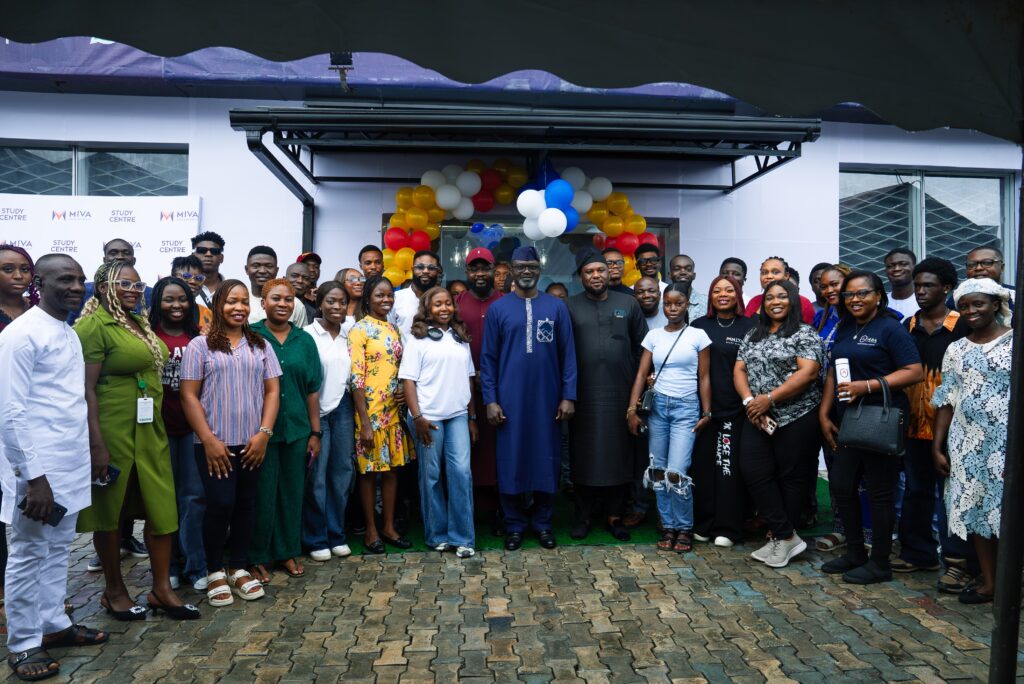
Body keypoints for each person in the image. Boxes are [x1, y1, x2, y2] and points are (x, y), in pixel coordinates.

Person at [0, 254, 107, 682]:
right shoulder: (20, 336)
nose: (77, 287)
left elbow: (71, 402)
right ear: (38, 283)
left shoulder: (67, 331)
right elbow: (10, 412)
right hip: (37, 473)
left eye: (81, 280)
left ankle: (55, 625)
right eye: (65, 279)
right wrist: (34, 478)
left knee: (59, 549)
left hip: (70, 464)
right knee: (27, 554)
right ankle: (24, 643)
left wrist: (93, 451)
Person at [74, 261, 196, 620]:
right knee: (109, 511)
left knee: (161, 508)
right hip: (112, 431)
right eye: (121, 283)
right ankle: (114, 591)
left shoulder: (138, 322)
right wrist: (96, 444)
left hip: (149, 429)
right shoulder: (93, 327)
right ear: (100, 287)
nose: (131, 289)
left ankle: (162, 589)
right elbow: (86, 389)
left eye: (135, 283)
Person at [180, 280, 281, 607]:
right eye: (231, 302)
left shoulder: (260, 345)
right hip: (214, 445)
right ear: (218, 304)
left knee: (246, 503)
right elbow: (189, 395)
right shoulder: (200, 346)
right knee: (220, 503)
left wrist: (264, 434)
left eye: (243, 302)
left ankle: (237, 567)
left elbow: (272, 391)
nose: (238, 308)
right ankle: (213, 570)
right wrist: (208, 439)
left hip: (252, 442)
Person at [819, 271, 923, 584]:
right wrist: (825, 413)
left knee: (880, 493)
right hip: (847, 420)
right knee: (841, 485)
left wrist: (868, 386)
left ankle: (879, 563)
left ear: (878, 295)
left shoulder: (890, 328)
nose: (855, 300)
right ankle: (854, 552)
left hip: (880, 419)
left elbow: (914, 371)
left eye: (862, 293)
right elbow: (833, 374)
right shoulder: (847, 327)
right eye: (849, 294)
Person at [481, 246, 576, 551]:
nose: (526, 271)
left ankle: (543, 523)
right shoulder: (499, 309)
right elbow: (488, 358)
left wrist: (568, 395)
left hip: (548, 398)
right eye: (520, 266)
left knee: (547, 459)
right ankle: (514, 525)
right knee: (511, 460)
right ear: (512, 270)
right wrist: (491, 400)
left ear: (539, 269)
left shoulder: (556, 307)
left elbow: (568, 355)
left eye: (531, 266)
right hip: (509, 400)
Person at [932, 278, 1012, 604]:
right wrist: (938, 445)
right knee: (976, 509)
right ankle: (991, 583)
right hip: (966, 443)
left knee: (1009, 512)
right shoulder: (956, 349)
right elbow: (946, 399)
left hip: (1007, 445)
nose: (971, 311)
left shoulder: (1015, 343)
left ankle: (1012, 585)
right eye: (964, 306)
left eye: (978, 304)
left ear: (995, 304)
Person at [734, 279, 822, 568]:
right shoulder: (753, 334)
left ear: (792, 300)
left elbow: (808, 372)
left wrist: (768, 399)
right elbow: (739, 369)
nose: (775, 301)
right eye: (769, 297)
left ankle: (780, 539)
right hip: (757, 416)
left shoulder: (804, 333)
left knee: (791, 478)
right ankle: (786, 536)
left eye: (782, 296)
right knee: (753, 470)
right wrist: (751, 403)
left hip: (797, 415)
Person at [566, 250, 647, 541]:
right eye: (590, 272)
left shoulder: (629, 303)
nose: (596, 275)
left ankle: (615, 515)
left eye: (601, 270)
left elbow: (642, 348)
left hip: (620, 394)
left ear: (610, 273)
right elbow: (563, 352)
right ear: (581, 277)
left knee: (618, 456)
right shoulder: (569, 306)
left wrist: (636, 394)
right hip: (582, 394)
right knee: (584, 455)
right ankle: (584, 515)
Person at [896, 258, 968, 579]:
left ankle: (957, 562)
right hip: (913, 425)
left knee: (952, 495)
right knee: (915, 490)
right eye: (918, 286)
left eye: (928, 286)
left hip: (953, 427)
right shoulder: (906, 327)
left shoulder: (963, 326)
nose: (920, 292)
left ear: (947, 288)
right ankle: (918, 553)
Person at [627, 282, 711, 553]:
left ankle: (684, 527)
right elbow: (641, 374)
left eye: (678, 303)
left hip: (687, 408)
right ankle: (667, 526)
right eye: (668, 304)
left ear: (688, 304)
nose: (672, 308)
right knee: (658, 470)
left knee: (677, 470)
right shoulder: (654, 336)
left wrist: (706, 411)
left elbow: (704, 377)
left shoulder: (698, 335)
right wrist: (631, 409)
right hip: (659, 408)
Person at [249, 280, 322, 583]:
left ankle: (287, 551)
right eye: (275, 298)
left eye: (289, 299)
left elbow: (312, 391)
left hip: (296, 431)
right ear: (263, 302)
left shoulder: (304, 341)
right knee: (261, 495)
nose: (283, 304)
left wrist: (315, 433)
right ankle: (257, 556)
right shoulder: (251, 334)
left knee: (291, 494)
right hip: (259, 432)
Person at [400, 286, 477, 557]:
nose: (444, 308)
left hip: (457, 415)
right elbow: (408, 380)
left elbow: (469, 377)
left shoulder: (460, 337)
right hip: (428, 417)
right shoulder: (418, 340)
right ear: (427, 309)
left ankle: (463, 537)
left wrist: (472, 417)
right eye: (437, 305)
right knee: (431, 476)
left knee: (461, 473)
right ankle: (436, 535)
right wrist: (417, 417)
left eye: (448, 304)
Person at [149, 276, 207, 592]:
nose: (176, 305)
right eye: (169, 299)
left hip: (192, 431)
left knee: (194, 498)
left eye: (182, 299)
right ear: (158, 302)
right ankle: (168, 566)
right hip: (159, 430)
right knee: (164, 502)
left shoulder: (198, 338)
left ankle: (195, 566)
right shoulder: (148, 337)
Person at [349, 276, 414, 554]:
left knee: (391, 472)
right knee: (368, 473)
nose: (386, 300)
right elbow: (356, 379)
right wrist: (364, 421)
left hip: (393, 412)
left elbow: (400, 367)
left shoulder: (393, 328)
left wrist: (401, 390)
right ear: (367, 298)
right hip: (370, 414)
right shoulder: (359, 330)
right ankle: (371, 530)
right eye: (379, 295)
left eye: (389, 295)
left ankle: (388, 526)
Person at [690, 275, 754, 548]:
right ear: (711, 296)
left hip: (735, 410)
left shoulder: (751, 326)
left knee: (728, 469)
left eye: (729, 290)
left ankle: (728, 527)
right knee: (703, 468)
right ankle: (704, 523)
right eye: (717, 290)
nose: (723, 294)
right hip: (703, 410)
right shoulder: (698, 326)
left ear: (738, 294)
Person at [303, 281, 355, 562]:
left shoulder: (350, 334)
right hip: (316, 413)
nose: (337, 307)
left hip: (343, 408)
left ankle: (336, 534)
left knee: (342, 474)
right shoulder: (307, 335)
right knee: (317, 479)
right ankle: (316, 537)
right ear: (320, 303)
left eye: (342, 302)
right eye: (331, 301)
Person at [454, 248, 504, 533]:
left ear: (494, 271)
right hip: (465, 390)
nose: (480, 274)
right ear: (467, 272)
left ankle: (499, 510)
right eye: (475, 269)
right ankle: (470, 510)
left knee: (497, 450)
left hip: (499, 389)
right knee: (470, 450)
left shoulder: (507, 302)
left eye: (485, 268)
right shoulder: (457, 304)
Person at [0, 244, 38, 610]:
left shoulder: (37, 313)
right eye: (8, 269)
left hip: (31, 422)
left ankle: (34, 592)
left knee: (27, 509)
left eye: (24, 269)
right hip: (3, 417)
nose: (17, 276)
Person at [67, 238, 153, 325]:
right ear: (105, 260)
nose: (120, 257)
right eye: (113, 253)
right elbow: (69, 326)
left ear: (134, 260)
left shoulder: (150, 293)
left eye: (126, 253)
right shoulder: (83, 290)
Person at [245, 246, 305, 328]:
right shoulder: (239, 302)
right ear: (246, 269)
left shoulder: (295, 304)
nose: (262, 271)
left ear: (277, 270)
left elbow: (301, 338)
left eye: (269, 266)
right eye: (256, 265)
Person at [744, 257, 815, 324]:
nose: (769, 276)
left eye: (775, 272)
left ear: (786, 276)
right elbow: (746, 328)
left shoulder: (803, 302)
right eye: (764, 273)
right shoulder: (755, 301)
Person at [391, 250, 443, 338]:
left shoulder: (443, 300)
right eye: (420, 267)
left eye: (431, 268)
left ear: (437, 271)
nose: (425, 271)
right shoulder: (396, 298)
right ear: (412, 269)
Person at [170, 255, 213, 330]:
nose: (193, 282)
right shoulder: (158, 310)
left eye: (199, 278)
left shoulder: (208, 313)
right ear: (173, 278)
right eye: (186, 276)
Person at [191, 231, 226, 307]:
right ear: (193, 256)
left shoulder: (230, 289)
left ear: (221, 258)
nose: (208, 254)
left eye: (214, 251)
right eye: (202, 250)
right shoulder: (183, 288)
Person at [884, 249, 918, 320]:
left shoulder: (924, 302)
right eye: (890, 266)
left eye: (903, 264)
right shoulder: (881, 304)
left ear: (915, 268)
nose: (897, 269)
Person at [670, 255, 708, 319]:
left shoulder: (707, 302)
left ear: (694, 275)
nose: (683, 272)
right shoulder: (663, 303)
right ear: (670, 275)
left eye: (688, 269)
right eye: (677, 269)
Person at [338, 268, 365, 335]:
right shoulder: (331, 311)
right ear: (341, 282)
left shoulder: (370, 311)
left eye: (362, 279)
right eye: (352, 279)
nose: (359, 283)